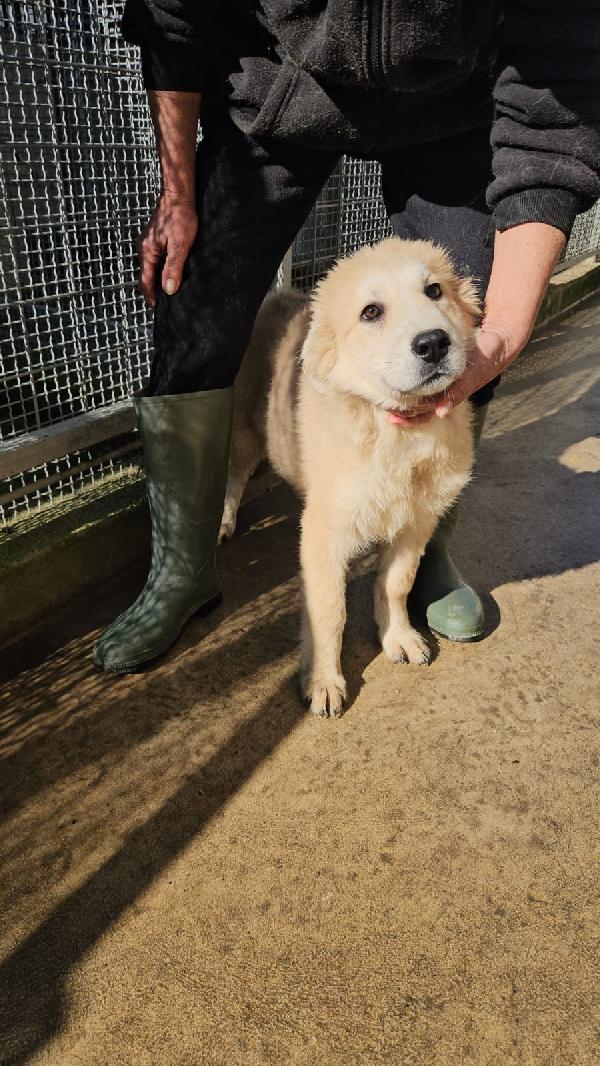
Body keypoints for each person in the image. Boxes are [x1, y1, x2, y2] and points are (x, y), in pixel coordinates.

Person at [93, 0, 600, 673]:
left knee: (463, 321)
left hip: (454, 102)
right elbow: (175, 16)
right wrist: (178, 193)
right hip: (277, 86)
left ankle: (422, 554)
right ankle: (184, 569)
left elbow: (559, 73)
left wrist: (504, 328)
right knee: (194, 307)